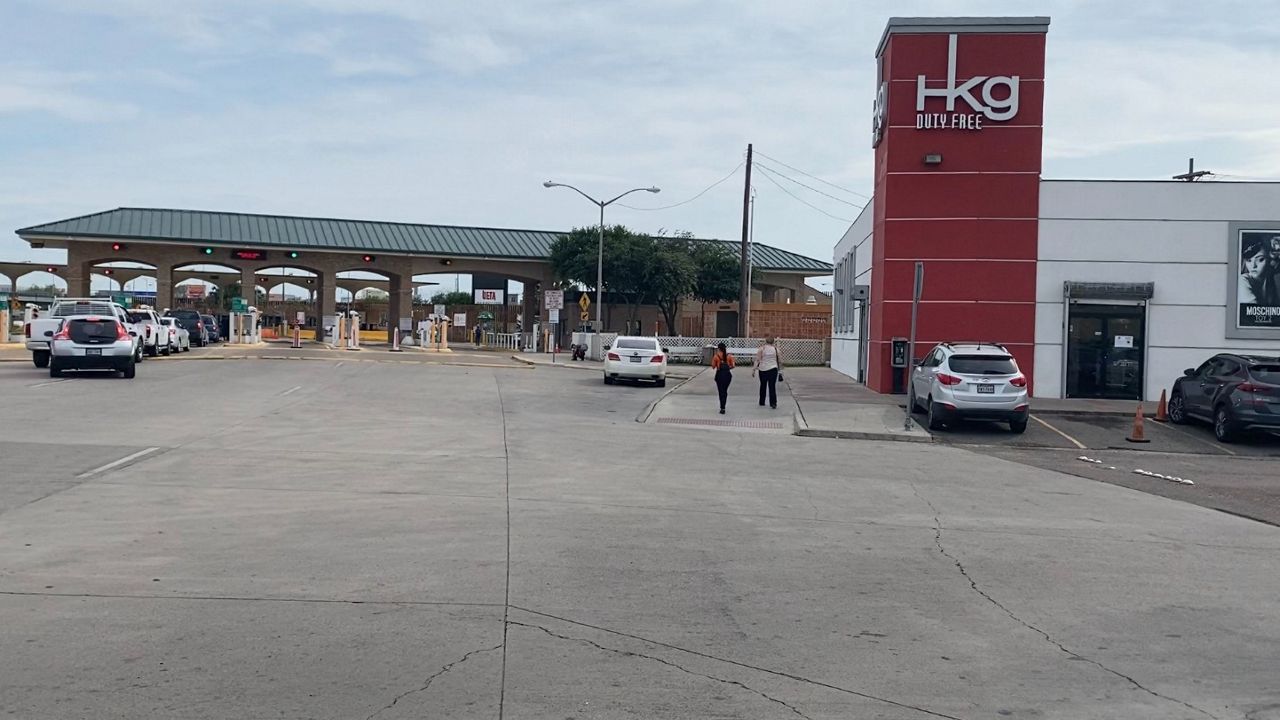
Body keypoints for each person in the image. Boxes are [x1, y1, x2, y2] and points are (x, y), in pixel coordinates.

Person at [1239, 236, 1280, 306]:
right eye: (1249, 260)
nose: (1253, 266)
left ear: (1270, 260)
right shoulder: (1242, 281)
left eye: (1260, 260)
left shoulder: (1271, 279)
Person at [753, 335, 782, 409]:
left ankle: (762, 401)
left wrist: (754, 369)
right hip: (773, 369)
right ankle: (773, 403)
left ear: (765, 341)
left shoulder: (762, 349)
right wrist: (780, 369)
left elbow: (757, 360)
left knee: (763, 385)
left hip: (763, 369)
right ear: (773, 342)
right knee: (772, 386)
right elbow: (780, 361)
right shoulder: (776, 350)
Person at [710, 342, 735, 414]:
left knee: (721, 391)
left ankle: (722, 407)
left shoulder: (716, 356)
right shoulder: (729, 356)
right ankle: (724, 405)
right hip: (727, 375)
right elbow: (733, 366)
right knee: (725, 390)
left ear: (719, 349)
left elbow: (713, 366)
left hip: (719, 375)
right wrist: (727, 367)